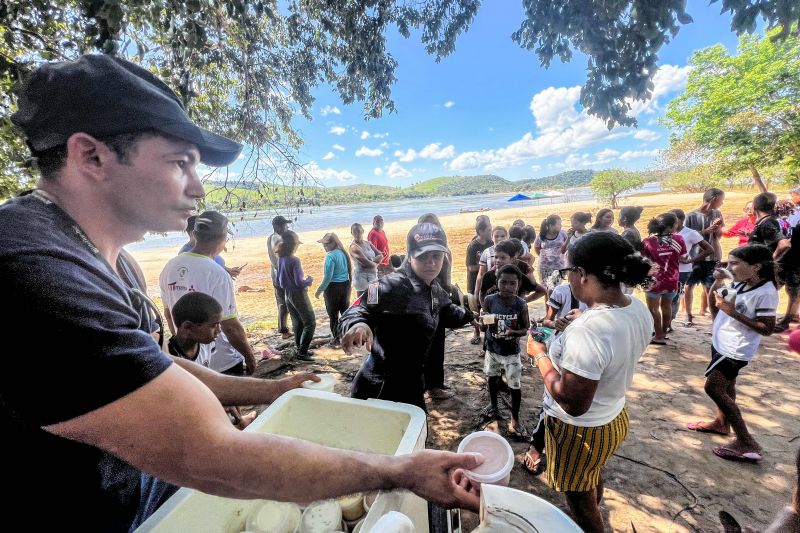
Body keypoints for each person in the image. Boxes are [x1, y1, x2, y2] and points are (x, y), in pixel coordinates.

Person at [3, 55, 485, 532]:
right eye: (179, 164)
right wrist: (398, 469)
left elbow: (158, 367)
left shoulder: (116, 259)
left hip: (146, 501)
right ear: (91, 156)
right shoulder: (36, 269)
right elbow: (211, 455)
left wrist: (272, 389)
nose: (197, 188)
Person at [526, 232, 653, 533]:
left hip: (579, 433)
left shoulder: (589, 330)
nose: (568, 278)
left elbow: (572, 402)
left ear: (581, 274)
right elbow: (613, 351)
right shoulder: (636, 308)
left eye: (569, 271)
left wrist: (539, 354)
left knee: (581, 505)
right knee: (591, 475)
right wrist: (582, 320)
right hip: (613, 418)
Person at [339, 223, 473, 410]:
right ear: (410, 256)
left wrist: (471, 316)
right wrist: (358, 325)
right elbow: (357, 310)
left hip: (413, 383)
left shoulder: (434, 287)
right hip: (379, 387)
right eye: (423, 256)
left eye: (437, 256)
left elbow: (446, 310)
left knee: (416, 434)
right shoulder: (388, 286)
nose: (431, 263)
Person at [686, 245, 778, 463]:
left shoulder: (765, 293)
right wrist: (718, 283)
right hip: (722, 342)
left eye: (735, 263)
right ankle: (721, 423)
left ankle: (746, 441)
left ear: (755, 267)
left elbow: (767, 328)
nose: (729, 266)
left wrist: (732, 312)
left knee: (714, 387)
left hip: (735, 349)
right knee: (728, 386)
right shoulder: (741, 282)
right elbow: (714, 306)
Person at [160, 210, 257, 375]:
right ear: (222, 239)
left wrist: (182, 349)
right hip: (222, 361)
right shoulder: (217, 274)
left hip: (191, 359)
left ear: (195, 235)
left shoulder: (169, 267)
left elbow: (168, 314)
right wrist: (249, 356)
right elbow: (230, 325)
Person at [522, 279, 588, 476]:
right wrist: (556, 323)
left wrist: (539, 354)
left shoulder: (606, 302)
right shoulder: (562, 292)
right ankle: (536, 446)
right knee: (551, 404)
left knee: (566, 402)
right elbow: (546, 320)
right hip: (562, 351)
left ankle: (546, 447)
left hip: (583, 355)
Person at [167, 292, 255, 429]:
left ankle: (239, 422)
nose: (219, 331)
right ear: (187, 327)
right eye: (214, 325)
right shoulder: (170, 358)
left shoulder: (205, 345)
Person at [480, 264, 530, 437]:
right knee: (492, 379)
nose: (507, 287)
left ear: (519, 284)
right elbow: (483, 325)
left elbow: (526, 328)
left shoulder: (521, 304)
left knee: (514, 385)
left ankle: (514, 418)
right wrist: (481, 321)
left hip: (511, 352)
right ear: (497, 282)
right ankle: (493, 406)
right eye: (503, 282)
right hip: (493, 350)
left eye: (512, 283)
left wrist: (513, 332)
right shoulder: (490, 300)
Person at [640, 212, 686, 345]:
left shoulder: (648, 242)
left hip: (653, 280)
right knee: (667, 306)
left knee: (653, 309)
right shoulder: (679, 239)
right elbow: (682, 257)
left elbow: (644, 261)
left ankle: (658, 335)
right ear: (672, 226)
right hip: (672, 279)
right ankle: (663, 333)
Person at [685, 188, 725, 317]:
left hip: (713, 256)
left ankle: (706, 311)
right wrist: (705, 232)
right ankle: (688, 314)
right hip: (694, 256)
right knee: (689, 286)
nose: (722, 203)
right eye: (721, 200)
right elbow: (686, 237)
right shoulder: (690, 216)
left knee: (710, 286)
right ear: (714, 199)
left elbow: (718, 237)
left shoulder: (717, 213)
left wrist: (717, 229)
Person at [670, 209, 714, 324]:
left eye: (672, 219)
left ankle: (670, 322)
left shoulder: (690, 233)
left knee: (675, 296)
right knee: (667, 296)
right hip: (666, 270)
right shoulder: (667, 232)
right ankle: (667, 322)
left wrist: (691, 260)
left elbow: (709, 249)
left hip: (682, 271)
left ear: (680, 220)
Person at [277, 230, 316, 359]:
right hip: (298, 294)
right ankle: (302, 352)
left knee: (297, 322)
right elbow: (299, 282)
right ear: (294, 245)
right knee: (310, 322)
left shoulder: (280, 258)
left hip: (288, 294)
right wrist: (309, 281)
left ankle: (300, 348)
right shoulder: (294, 260)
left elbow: (279, 280)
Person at [478, 240, 547, 307]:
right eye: (496, 257)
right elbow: (482, 293)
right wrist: (485, 308)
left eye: (503, 258)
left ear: (513, 259)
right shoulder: (488, 276)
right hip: (494, 316)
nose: (498, 260)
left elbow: (542, 291)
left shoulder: (519, 276)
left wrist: (524, 301)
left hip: (515, 316)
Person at [315, 232, 352, 347]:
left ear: (332, 244)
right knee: (345, 314)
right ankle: (348, 337)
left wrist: (319, 290)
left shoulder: (330, 256)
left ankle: (337, 339)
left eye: (326, 245)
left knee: (333, 316)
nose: (324, 247)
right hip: (345, 286)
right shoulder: (343, 253)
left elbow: (328, 277)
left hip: (333, 289)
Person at [466, 218, 494, 345]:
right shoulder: (473, 246)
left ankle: (488, 334)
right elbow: (471, 267)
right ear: (481, 231)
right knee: (475, 306)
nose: (491, 231)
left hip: (487, 281)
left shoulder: (490, 243)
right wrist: (485, 265)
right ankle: (476, 332)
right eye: (489, 230)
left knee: (487, 306)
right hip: (474, 280)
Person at [268, 215, 292, 339]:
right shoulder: (277, 239)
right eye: (284, 225)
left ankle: (283, 328)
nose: (286, 227)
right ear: (277, 227)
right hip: (280, 275)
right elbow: (277, 260)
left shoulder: (272, 238)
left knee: (282, 302)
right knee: (284, 302)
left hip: (277, 274)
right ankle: (283, 330)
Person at [474, 225, 509, 299]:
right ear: (492, 237)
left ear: (507, 237)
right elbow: (481, 274)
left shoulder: (511, 251)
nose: (499, 238)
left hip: (509, 287)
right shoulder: (487, 252)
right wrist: (477, 292)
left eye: (502, 236)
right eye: (496, 236)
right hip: (491, 289)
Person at [350, 222, 383, 298]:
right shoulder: (354, 247)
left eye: (359, 231)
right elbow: (367, 264)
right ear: (352, 233)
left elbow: (381, 255)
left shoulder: (368, 243)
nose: (357, 234)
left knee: (373, 300)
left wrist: (371, 260)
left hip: (373, 276)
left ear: (363, 231)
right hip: (361, 278)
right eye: (355, 232)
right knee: (363, 302)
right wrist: (375, 262)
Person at [534, 214, 568, 288]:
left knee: (555, 287)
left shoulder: (563, 234)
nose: (561, 225)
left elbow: (567, 245)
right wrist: (545, 257)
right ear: (551, 225)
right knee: (546, 288)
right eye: (559, 224)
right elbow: (536, 247)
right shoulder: (541, 235)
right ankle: (547, 300)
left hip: (559, 266)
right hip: (544, 267)